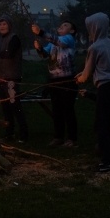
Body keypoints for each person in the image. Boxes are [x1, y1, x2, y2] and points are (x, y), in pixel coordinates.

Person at [75, 12, 110, 173]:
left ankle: (107, 161)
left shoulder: (94, 47)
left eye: (90, 28)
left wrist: (80, 79)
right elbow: (99, 67)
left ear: (95, 28)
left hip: (105, 87)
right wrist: (82, 74)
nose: (89, 31)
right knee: (107, 123)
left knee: (101, 125)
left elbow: (87, 75)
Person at [32, 19, 78, 147]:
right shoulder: (53, 44)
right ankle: (58, 137)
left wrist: (40, 32)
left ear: (72, 30)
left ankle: (72, 138)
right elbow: (44, 55)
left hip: (67, 80)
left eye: (66, 24)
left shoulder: (69, 39)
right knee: (57, 110)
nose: (61, 26)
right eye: (61, 25)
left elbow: (59, 42)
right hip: (54, 80)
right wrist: (39, 48)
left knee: (68, 109)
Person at [0, 15, 28, 142]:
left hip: (11, 79)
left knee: (15, 106)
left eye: (4, 24)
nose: (2, 27)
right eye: (0, 25)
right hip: (1, 77)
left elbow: (9, 54)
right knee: (6, 108)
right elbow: (1, 57)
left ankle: (24, 134)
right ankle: (9, 133)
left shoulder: (14, 38)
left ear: (9, 25)